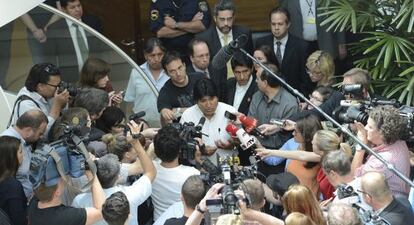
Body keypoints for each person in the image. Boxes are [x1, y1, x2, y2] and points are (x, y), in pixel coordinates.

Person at [73, 123, 156, 225]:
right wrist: (136, 143)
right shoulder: (131, 195)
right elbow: (150, 172)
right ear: (118, 177)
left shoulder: (80, 201)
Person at [249, 63, 298, 175]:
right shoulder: (256, 97)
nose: (255, 81)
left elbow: (288, 134)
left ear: (265, 83)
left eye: (257, 78)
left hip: (279, 157)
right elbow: (251, 122)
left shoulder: (290, 104)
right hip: (258, 151)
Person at [352, 105, 411, 197]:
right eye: (367, 124)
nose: (365, 128)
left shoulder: (382, 161)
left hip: (387, 203)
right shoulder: (399, 142)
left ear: (382, 133)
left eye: (370, 127)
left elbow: (354, 177)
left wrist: (361, 144)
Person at [180, 78, 237, 165]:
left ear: (217, 97)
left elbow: (243, 142)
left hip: (230, 166)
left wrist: (232, 145)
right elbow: (182, 147)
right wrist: (201, 150)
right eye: (203, 101)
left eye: (211, 99)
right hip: (200, 169)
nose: (208, 105)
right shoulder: (188, 115)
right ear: (196, 101)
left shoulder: (230, 111)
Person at [45, 0, 104, 82]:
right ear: (64, 9)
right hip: (71, 79)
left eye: (79, 5)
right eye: (72, 7)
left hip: (95, 76)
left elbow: (100, 49)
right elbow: (51, 58)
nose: (77, 9)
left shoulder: (92, 22)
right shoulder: (55, 29)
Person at [255, 7, 309, 95]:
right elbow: (257, 71)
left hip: (293, 96)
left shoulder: (301, 46)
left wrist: (302, 98)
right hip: (266, 95)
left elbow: (304, 78)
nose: (276, 28)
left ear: (288, 24)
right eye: (273, 24)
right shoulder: (261, 43)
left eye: (280, 24)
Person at [151, 126, 200, 220]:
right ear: (180, 150)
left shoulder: (150, 170)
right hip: (182, 221)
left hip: (158, 221)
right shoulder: (192, 174)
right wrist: (199, 161)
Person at [196, 0, 253, 79]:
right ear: (215, 18)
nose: (226, 23)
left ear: (234, 18)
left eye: (229, 19)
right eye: (222, 19)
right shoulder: (204, 38)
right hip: (217, 84)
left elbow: (250, 60)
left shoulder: (244, 33)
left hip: (241, 80)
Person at [28, 170, 106, 225]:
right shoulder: (65, 217)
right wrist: (91, 173)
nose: (62, 176)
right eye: (60, 178)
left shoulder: (34, 202)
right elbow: (101, 211)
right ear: (57, 192)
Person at [9, 63, 69, 133]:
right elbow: (41, 134)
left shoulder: (48, 94)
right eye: (56, 86)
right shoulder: (26, 104)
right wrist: (57, 106)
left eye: (60, 84)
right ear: (40, 86)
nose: (58, 88)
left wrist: (63, 104)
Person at [1, 110, 48, 198]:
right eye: (40, 133)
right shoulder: (9, 146)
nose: (41, 137)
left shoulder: (24, 140)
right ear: (28, 131)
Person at [278, 0, 347, 60]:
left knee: (325, 72)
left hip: (325, 43)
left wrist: (341, 43)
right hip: (298, 44)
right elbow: (282, 18)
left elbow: (339, 19)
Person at [124, 38, 169, 127]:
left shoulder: (171, 71)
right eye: (152, 55)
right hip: (142, 125)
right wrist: (129, 123)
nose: (157, 59)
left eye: (160, 54)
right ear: (145, 55)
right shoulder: (137, 72)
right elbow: (130, 101)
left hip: (167, 125)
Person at [157, 51, 204, 124]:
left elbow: (212, 101)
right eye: (172, 71)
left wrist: (179, 110)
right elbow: (164, 119)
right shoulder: (165, 92)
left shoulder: (200, 78)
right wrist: (166, 113)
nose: (178, 73)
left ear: (184, 65)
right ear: (167, 73)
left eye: (180, 68)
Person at [0, 136, 26, 225]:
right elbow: (18, 220)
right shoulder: (13, 186)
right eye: (20, 152)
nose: (23, 155)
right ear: (11, 156)